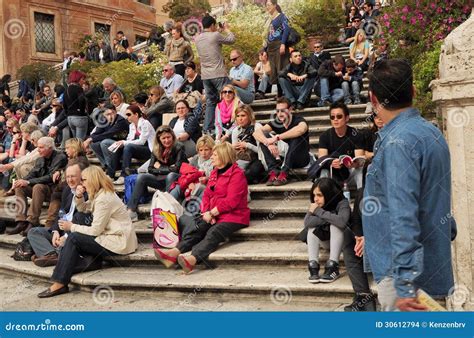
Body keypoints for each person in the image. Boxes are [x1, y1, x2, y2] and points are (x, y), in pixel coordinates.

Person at [363, 59, 456, 311]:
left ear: (373, 98)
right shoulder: (432, 133)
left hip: (404, 279)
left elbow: (403, 214)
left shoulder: (397, 143)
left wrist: (404, 285)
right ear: (413, 91)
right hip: (426, 265)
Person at [37, 165, 138, 298]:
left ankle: (60, 282)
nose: (81, 182)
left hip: (118, 240)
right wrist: (79, 197)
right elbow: (84, 209)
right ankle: (88, 262)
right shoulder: (100, 193)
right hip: (110, 234)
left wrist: (71, 227)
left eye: (84, 180)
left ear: (93, 180)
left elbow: (96, 230)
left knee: (73, 238)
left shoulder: (104, 199)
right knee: (80, 217)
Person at [154, 142, 250, 273]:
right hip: (214, 214)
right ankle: (174, 252)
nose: (211, 157)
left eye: (214, 155)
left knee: (214, 232)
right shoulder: (215, 172)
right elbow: (207, 195)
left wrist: (212, 213)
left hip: (234, 216)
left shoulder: (237, 174)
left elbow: (231, 201)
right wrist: (205, 212)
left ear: (223, 156)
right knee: (197, 228)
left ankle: (192, 259)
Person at [27, 161, 90, 267]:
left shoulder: (88, 192)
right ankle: (52, 255)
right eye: (68, 176)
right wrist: (55, 230)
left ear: (82, 176)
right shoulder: (67, 190)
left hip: (76, 233)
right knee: (34, 232)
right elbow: (61, 213)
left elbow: (84, 221)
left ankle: (49, 254)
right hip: (62, 230)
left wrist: (66, 236)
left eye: (73, 176)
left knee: (68, 242)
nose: (70, 180)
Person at [7, 137, 68, 236]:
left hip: (53, 191)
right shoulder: (40, 159)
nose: (38, 150)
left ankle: (32, 221)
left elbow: (50, 177)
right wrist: (22, 181)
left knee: (38, 186)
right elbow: (32, 173)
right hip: (40, 190)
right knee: (20, 187)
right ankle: (21, 221)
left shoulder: (60, 157)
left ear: (50, 148)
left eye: (41, 147)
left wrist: (27, 181)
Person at [127, 126, 187, 222]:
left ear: (172, 137)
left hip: (176, 180)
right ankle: (131, 210)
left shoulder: (179, 147)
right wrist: (165, 169)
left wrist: (159, 168)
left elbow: (176, 169)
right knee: (142, 177)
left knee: (170, 175)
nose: (167, 140)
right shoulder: (156, 149)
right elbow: (150, 169)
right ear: (159, 139)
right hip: (160, 179)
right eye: (163, 138)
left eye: (168, 137)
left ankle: (166, 210)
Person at [253, 97, 310, 186]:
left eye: (283, 111)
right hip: (285, 157)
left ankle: (284, 173)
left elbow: (301, 130)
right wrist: (268, 143)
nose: (280, 114)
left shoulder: (299, 120)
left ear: (290, 109)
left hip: (301, 159)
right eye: (278, 111)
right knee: (263, 138)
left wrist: (277, 137)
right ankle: (274, 171)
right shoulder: (277, 122)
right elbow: (256, 133)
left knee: (296, 137)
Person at [304, 178, 350, 283]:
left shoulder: (342, 203)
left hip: (343, 242)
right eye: (314, 195)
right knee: (312, 228)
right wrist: (332, 217)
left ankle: (333, 266)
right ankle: (313, 265)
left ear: (329, 193)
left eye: (319, 195)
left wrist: (319, 212)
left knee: (336, 225)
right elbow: (307, 223)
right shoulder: (315, 205)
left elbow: (342, 222)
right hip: (326, 241)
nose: (315, 199)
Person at [195, 15, 235, 134]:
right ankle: (230, 125)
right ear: (212, 25)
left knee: (211, 102)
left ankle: (207, 129)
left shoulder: (197, 38)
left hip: (206, 76)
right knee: (229, 97)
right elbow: (232, 39)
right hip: (218, 73)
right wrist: (226, 29)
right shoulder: (215, 35)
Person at [317, 102, 365, 187]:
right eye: (332, 117)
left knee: (359, 170)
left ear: (347, 118)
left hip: (350, 172)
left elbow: (360, 160)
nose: (335, 119)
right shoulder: (324, 136)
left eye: (339, 116)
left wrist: (353, 164)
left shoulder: (356, 135)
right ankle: (325, 198)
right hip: (333, 173)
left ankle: (361, 197)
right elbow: (321, 159)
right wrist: (331, 163)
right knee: (324, 171)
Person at [111, 105, 155, 185]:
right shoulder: (131, 125)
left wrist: (125, 143)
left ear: (136, 114)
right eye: (126, 115)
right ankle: (110, 174)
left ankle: (124, 175)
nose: (127, 117)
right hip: (139, 149)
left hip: (150, 150)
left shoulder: (145, 123)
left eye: (129, 114)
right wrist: (122, 143)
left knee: (128, 146)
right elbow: (130, 139)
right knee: (118, 146)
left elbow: (142, 141)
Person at [85, 104, 129, 179]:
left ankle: (111, 170)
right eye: (107, 114)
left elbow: (108, 134)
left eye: (111, 113)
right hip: (111, 146)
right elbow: (96, 132)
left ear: (115, 112)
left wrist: (91, 139)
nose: (109, 116)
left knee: (104, 142)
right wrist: (89, 139)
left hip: (121, 145)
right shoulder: (104, 120)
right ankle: (106, 165)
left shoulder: (120, 121)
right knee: (94, 144)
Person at [169, 135, 215, 202]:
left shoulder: (215, 160)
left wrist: (207, 179)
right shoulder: (196, 158)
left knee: (201, 189)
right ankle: (167, 206)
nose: (203, 153)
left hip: (205, 186)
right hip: (191, 185)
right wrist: (190, 183)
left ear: (212, 149)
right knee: (177, 186)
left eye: (206, 150)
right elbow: (187, 173)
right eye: (201, 150)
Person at [231, 105, 265, 184]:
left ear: (249, 116)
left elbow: (263, 151)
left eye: (243, 115)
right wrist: (235, 148)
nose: (240, 119)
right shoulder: (236, 130)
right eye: (238, 116)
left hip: (259, 158)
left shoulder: (257, 127)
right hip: (243, 158)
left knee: (251, 172)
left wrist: (248, 145)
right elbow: (234, 153)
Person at [264, 0, 290, 98]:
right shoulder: (270, 19)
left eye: (269, 5)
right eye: (266, 5)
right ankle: (280, 94)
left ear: (275, 5)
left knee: (281, 68)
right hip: (271, 47)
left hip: (279, 45)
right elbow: (269, 35)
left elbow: (286, 30)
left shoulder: (281, 16)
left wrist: (283, 44)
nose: (268, 7)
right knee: (274, 70)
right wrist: (265, 49)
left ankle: (286, 93)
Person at [64, 70, 87, 140]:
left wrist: (67, 113)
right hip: (79, 118)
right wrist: (82, 111)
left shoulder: (67, 89)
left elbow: (64, 104)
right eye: (83, 79)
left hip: (70, 118)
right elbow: (82, 100)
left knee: (75, 142)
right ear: (78, 79)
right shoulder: (79, 89)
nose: (84, 81)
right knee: (79, 142)